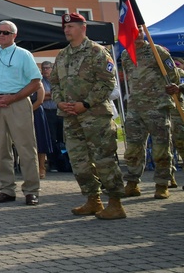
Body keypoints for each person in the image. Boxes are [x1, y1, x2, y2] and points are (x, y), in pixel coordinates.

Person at [52, 12, 126, 219]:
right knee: (79, 161)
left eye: (71, 26)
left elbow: (107, 83)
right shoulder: (62, 55)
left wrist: (85, 103)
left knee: (104, 159)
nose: (67, 30)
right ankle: (93, 199)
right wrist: (59, 102)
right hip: (70, 117)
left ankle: (115, 203)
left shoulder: (97, 52)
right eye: (65, 27)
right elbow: (55, 82)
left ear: (83, 28)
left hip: (95, 116)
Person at [0, 21, 42, 205]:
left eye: (5, 33)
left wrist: (13, 98)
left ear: (14, 35)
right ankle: (7, 189)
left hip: (18, 103)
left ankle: (31, 190)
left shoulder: (24, 55)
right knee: (1, 148)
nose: (0, 35)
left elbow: (36, 82)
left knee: (25, 147)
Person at [121, 33, 176, 199]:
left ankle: (162, 184)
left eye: (138, 31)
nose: (136, 35)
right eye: (133, 32)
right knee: (133, 148)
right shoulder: (126, 54)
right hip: (135, 108)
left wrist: (167, 91)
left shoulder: (156, 51)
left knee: (161, 148)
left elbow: (172, 75)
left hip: (156, 107)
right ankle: (132, 183)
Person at [40, 61, 66, 173]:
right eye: (43, 68)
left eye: (47, 68)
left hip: (60, 111)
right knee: (51, 138)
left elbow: (63, 94)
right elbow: (40, 97)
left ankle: (64, 162)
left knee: (62, 138)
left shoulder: (58, 80)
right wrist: (52, 95)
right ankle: (53, 163)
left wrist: (49, 95)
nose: (45, 70)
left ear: (52, 68)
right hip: (47, 112)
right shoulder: (40, 81)